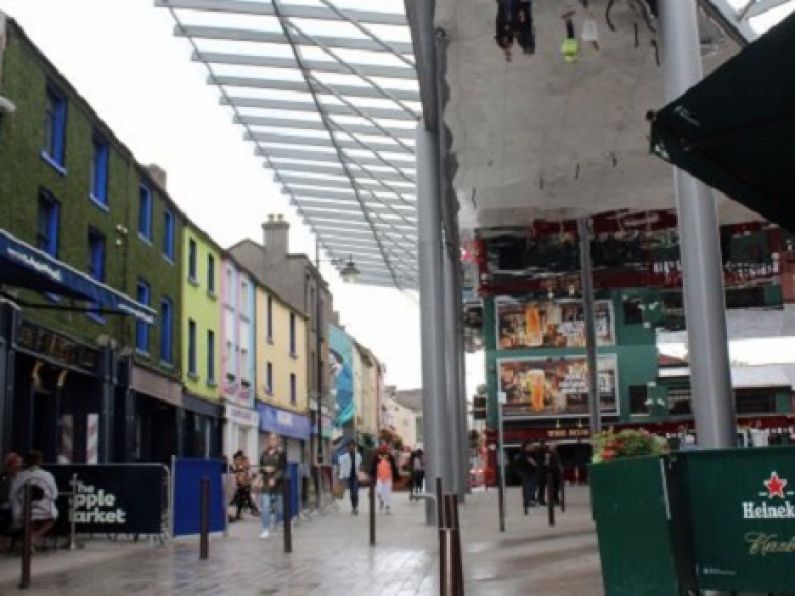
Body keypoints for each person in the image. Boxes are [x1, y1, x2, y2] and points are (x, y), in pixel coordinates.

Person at [10, 451, 58, 547]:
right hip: (46, 512)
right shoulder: (48, 475)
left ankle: (30, 539)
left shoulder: (20, 476)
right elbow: (54, 495)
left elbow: (12, 495)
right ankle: (35, 536)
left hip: (25, 512)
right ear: (40, 461)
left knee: (29, 519)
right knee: (51, 520)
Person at [258, 433, 286, 539]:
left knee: (279, 508)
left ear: (278, 440)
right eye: (270, 439)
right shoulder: (264, 454)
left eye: (274, 439)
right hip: (266, 484)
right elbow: (261, 468)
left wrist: (275, 478)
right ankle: (265, 529)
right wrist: (260, 478)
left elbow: (283, 469)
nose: (272, 441)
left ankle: (278, 522)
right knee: (265, 507)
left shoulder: (281, 454)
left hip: (278, 485)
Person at [0, 453, 22, 551]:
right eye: (15, 466)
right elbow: (3, 495)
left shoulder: (21, 477)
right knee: (6, 513)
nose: (18, 469)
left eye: (19, 466)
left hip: (18, 505)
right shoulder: (3, 477)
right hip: (6, 505)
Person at [370, 444, 399, 515]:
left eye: (385, 449)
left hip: (388, 478)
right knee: (379, 492)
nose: (384, 450)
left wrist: (396, 476)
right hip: (379, 478)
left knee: (387, 493)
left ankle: (387, 507)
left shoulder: (390, 457)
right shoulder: (376, 457)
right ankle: (382, 501)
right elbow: (373, 467)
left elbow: (394, 467)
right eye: (382, 449)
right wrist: (371, 476)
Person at [337, 440, 363, 515]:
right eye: (350, 446)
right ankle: (353, 507)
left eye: (353, 446)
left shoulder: (358, 456)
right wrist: (341, 477)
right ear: (348, 447)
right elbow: (342, 466)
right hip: (349, 476)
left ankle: (356, 507)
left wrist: (361, 475)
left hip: (356, 476)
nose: (351, 447)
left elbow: (359, 466)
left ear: (355, 447)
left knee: (355, 492)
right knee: (352, 493)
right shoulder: (344, 457)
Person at [232, 450, 259, 520]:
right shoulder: (241, 462)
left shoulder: (242, 462)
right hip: (242, 482)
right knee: (245, 495)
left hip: (243, 481)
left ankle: (240, 513)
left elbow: (246, 470)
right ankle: (252, 508)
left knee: (242, 497)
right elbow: (242, 471)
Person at [513, 442, 537, 514]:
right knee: (530, 487)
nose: (532, 447)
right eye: (531, 446)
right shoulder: (527, 454)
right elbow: (532, 462)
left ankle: (527, 501)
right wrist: (536, 465)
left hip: (524, 472)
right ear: (527, 447)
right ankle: (530, 501)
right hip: (529, 472)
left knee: (526, 487)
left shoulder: (520, 454)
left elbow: (516, 463)